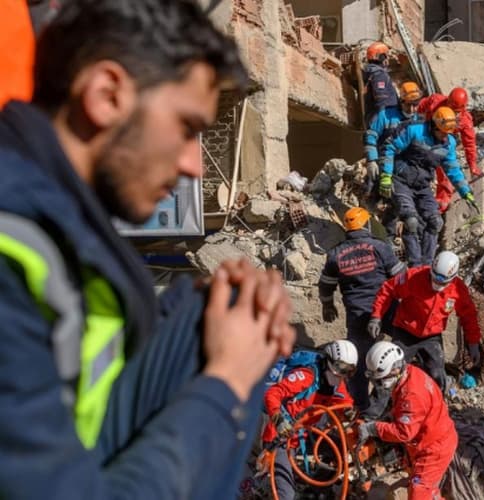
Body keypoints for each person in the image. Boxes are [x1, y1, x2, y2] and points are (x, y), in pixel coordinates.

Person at [0, 1, 296, 498]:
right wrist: (223, 387)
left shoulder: (52, 218)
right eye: (186, 129)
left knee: (224, 315)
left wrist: (210, 309)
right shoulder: (12, 254)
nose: (194, 166)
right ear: (106, 95)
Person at [318, 207, 405, 412]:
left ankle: (361, 407)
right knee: (403, 349)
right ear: (366, 225)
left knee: (359, 362)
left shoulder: (335, 254)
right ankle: (398, 398)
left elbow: (325, 285)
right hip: (387, 308)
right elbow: (401, 277)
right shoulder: (380, 247)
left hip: (357, 314)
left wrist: (327, 305)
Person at [357, 341, 458, 500]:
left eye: (381, 380)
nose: (379, 385)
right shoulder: (410, 374)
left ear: (396, 369)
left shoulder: (413, 395)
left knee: (419, 491)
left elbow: (404, 433)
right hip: (428, 439)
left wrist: (373, 428)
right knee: (425, 487)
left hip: (433, 449)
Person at [367, 251, 481, 389]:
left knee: (437, 375)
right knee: (389, 372)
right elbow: (388, 290)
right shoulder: (414, 277)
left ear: (452, 278)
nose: (437, 283)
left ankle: (435, 406)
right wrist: (376, 316)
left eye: (442, 281)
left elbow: (468, 316)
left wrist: (473, 343)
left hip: (431, 336)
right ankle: (376, 409)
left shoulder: (458, 289)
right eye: (434, 278)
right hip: (405, 332)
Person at [380, 107, 476, 267]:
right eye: (443, 132)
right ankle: (415, 265)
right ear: (434, 126)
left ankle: (427, 264)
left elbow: (452, 168)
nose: (445, 136)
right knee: (411, 221)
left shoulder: (448, 144)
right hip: (401, 180)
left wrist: (465, 191)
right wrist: (386, 175)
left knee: (436, 222)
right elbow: (389, 148)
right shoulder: (414, 130)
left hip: (422, 185)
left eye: (448, 133)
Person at [261, 340, 357, 498]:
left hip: (305, 436)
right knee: (286, 495)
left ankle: (315, 491)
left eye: (349, 371)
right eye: (341, 368)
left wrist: (349, 413)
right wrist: (278, 420)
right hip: (280, 440)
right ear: (329, 362)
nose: (344, 375)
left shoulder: (336, 383)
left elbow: (345, 404)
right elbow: (272, 394)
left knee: (342, 449)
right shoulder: (307, 376)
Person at [364, 81, 423, 197]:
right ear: (401, 102)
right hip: (383, 163)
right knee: (372, 194)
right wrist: (372, 160)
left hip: (405, 169)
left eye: (415, 105)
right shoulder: (386, 115)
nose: (411, 110)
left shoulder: (419, 121)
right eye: (408, 105)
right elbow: (371, 134)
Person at [418, 87, 482, 180]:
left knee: (445, 176)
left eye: (455, 112)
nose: (451, 113)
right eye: (450, 109)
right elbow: (418, 108)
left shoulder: (465, 121)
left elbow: (469, 144)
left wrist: (472, 164)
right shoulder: (435, 101)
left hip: (442, 141)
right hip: (424, 133)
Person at [363, 41, 399, 124]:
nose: (387, 59)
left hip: (377, 116)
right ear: (381, 57)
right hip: (383, 118)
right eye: (386, 56)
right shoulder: (379, 75)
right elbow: (381, 99)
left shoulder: (371, 72)